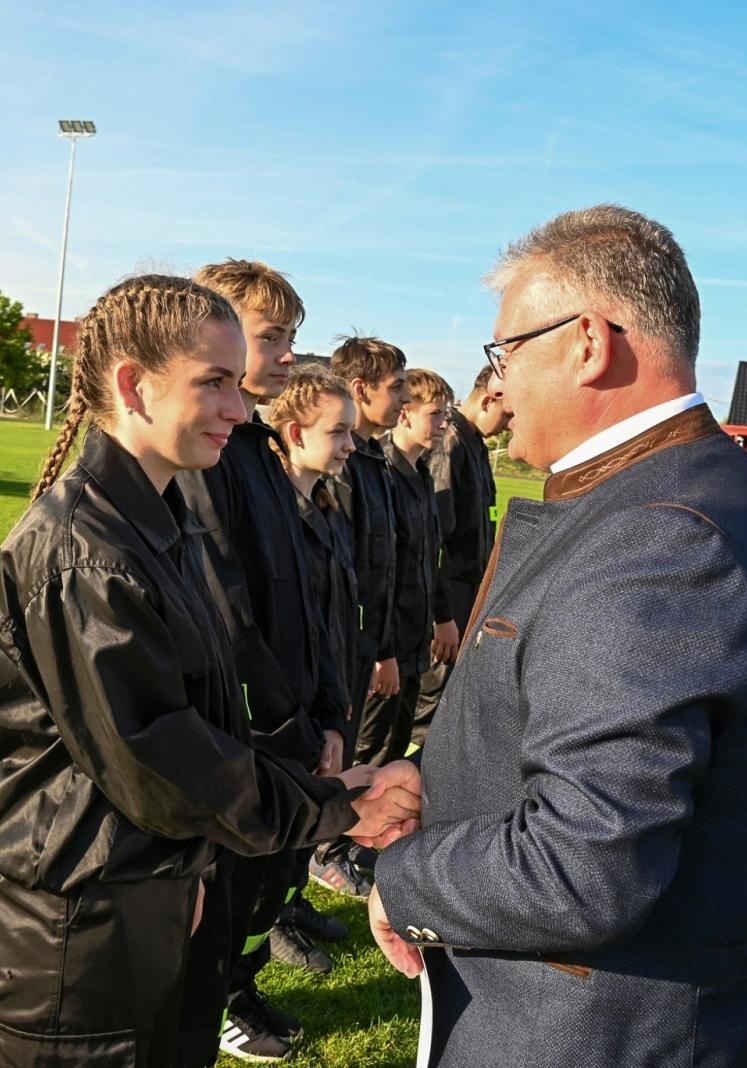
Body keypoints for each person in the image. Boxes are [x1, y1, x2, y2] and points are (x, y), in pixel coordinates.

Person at [367, 204, 747, 1067]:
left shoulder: (659, 536)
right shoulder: (664, 493)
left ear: (588, 343)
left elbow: (583, 868)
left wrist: (404, 882)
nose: (495, 386)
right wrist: (444, 778)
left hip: (600, 1032)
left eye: (504, 353)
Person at [0, 274, 421, 1068]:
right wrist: (334, 806)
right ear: (134, 386)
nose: (241, 409)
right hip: (79, 937)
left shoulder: (155, 522)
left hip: (144, 896)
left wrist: (190, 866)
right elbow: (161, 763)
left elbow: (196, 727)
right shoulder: (84, 552)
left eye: (239, 383)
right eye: (214, 383)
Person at [173, 259, 349, 1061]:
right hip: (252, 724)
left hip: (295, 719)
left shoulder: (257, 449)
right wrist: (286, 720)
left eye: (290, 338)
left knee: (266, 878)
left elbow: (305, 603)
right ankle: (217, 1003)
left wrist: (327, 715)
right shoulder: (212, 458)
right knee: (231, 881)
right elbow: (229, 610)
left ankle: (235, 989)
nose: (285, 355)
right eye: (272, 336)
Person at [263, 364, 362, 974]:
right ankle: (261, 935)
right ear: (296, 433)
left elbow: (327, 622)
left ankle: (288, 901)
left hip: (316, 697)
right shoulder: (272, 516)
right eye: (339, 432)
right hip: (277, 707)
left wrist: (331, 712)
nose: (351, 445)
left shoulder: (323, 504)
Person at [309, 335, 409, 900]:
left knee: (344, 751)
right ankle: (319, 857)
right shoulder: (338, 468)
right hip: (339, 645)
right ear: (360, 388)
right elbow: (331, 576)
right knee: (326, 756)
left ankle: (330, 850)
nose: (400, 397)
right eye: (394, 387)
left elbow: (381, 568)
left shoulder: (375, 461)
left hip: (364, 640)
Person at [365, 368, 455, 761]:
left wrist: (442, 616)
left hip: (414, 644)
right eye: (435, 413)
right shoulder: (379, 473)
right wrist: (381, 652)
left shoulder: (422, 475)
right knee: (369, 752)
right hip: (387, 648)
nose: (444, 423)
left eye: (446, 414)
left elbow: (428, 559)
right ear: (406, 414)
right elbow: (375, 571)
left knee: (398, 746)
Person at [415, 366, 507, 744]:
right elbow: (436, 535)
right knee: (431, 692)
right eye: (508, 414)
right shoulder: (449, 441)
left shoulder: (475, 441)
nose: (508, 425)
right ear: (489, 399)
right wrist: (442, 614)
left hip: (468, 586)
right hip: (449, 589)